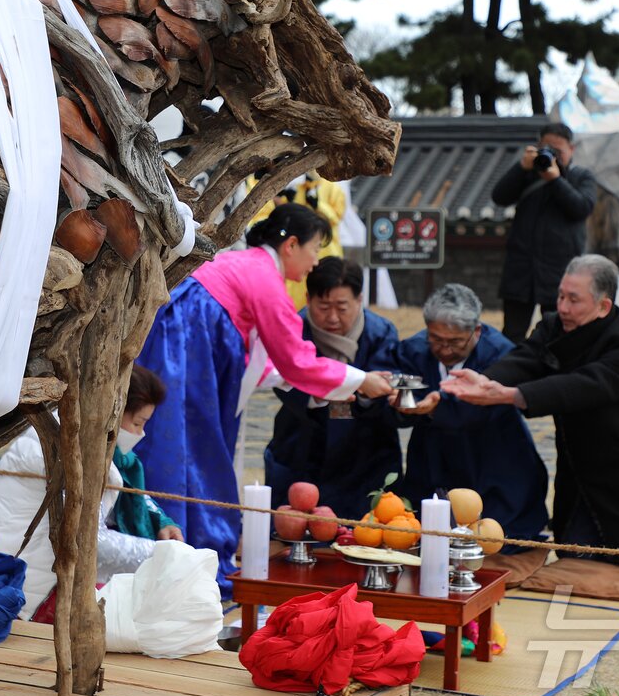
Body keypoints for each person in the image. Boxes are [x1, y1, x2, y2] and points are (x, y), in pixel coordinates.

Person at [134, 204, 395, 594]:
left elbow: (267, 361)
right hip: (189, 341)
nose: (315, 259)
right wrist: (360, 380)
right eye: (315, 248)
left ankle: (191, 557)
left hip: (194, 339)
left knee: (195, 450)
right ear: (291, 245)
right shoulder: (265, 278)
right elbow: (296, 361)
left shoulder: (251, 267)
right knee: (195, 452)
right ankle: (192, 560)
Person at [444, 255, 619, 573]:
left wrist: (514, 396)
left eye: (574, 300)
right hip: (582, 472)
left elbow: (580, 386)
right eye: (561, 296)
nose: (564, 307)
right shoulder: (554, 325)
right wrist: (488, 380)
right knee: (576, 560)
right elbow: (527, 358)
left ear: (603, 306)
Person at [0, 366, 183, 619]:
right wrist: (162, 554)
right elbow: (87, 539)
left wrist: (160, 521)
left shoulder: (72, 428)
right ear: (114, 410)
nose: (140, 433)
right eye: (138, 423)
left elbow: (128, 495)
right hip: (5, 574)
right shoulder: (76, 450)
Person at [386, 284, 549, 546]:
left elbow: (481, 412)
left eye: (455, 342)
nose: (445, 349)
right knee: (429, 535)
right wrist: (403, 406)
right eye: (436, 339)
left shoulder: (500, 354)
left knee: (496, 539)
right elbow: (400, 406)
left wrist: (439, 407)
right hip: (433, 455)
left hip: (494, 454)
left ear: (476, 331)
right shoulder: (414, 350)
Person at [263, 257, 402, 520]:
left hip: (366, 451)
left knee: (364, 535)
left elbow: (386, 388)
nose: (333, 317)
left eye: (342, 307)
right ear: (308, 298)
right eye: (323, 307)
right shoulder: (293, 328)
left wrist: (365, 395)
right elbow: (282, 379)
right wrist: (321, 392)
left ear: (359, 300)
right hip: (302, 443)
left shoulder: (381, 332)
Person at [491, 122, 599, 342]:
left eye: (558, 150)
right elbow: (499, 197)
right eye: (547, 149)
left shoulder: (581, 177)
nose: (553, 156)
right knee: (512, 334)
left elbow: (581, 209)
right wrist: (521, 167)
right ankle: (510, 375)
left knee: (557, 334)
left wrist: (555, 180)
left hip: (559, 272)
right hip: (521, 268)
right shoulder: (528, 173)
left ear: (572, 149)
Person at [248, 171, 348, 309]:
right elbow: (267, 217)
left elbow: (337, 217)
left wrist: (318, 205)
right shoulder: (285, 182)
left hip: (323, 251)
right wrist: (282, 201)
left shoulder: (331, 187)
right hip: (295, 254)